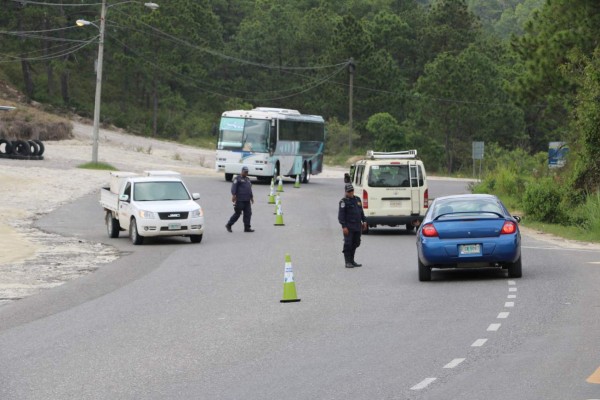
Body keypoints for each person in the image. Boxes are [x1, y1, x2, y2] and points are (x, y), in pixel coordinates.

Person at [338, 184, 367, 268]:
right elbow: (341, 216)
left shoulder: (357, 199)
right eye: (349, 191)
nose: (351, 193)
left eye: (352, 191)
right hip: (349, 227)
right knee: (348, 244)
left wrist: (364, 221)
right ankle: (347, 262)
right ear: (346, 192)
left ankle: (352, 260)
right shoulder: (343, 202)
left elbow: (361, 212)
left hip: (357, 226)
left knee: (356, 243)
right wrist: (344, 226)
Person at [226, 166, 254, 232]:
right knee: (237, 213)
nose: (246, 173)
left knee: (248, 213)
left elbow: (249, 189)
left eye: (247, 172)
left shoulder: (248, 179)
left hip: (247, 200)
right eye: (245, 172)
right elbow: (234, 187)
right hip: (240, 200)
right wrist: (233, 195)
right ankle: (229, 224)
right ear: (242, 172)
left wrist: (251, 197)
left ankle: (247, 227)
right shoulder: (237, 179)